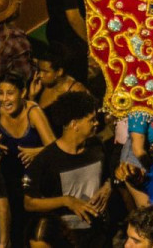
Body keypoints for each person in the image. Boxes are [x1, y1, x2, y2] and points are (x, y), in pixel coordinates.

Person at [24, 90, 112, 247]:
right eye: (91, 120)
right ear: (74, 124)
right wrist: (66, 201)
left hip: (98, 234)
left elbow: (107, 177)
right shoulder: (47, 159)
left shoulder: (97, 148)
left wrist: (108, 187)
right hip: (67, 239)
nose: (96, 123)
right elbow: (29, 202)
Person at [0, 71, 55, 246]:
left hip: (35, 181)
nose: (4, 99)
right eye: (0, 93)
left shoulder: (33, 112)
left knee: (33, 228)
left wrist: (38, 152)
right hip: (8, 180)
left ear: (22, 93)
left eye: (10, 93)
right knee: (12, 227)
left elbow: (55, 148)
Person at [32, 45, 88, 109]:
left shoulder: (75, 91)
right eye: (39, 70)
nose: (40, 75)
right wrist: (32, 97)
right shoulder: (40, 86)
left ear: (59, 72)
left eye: (45, 72)